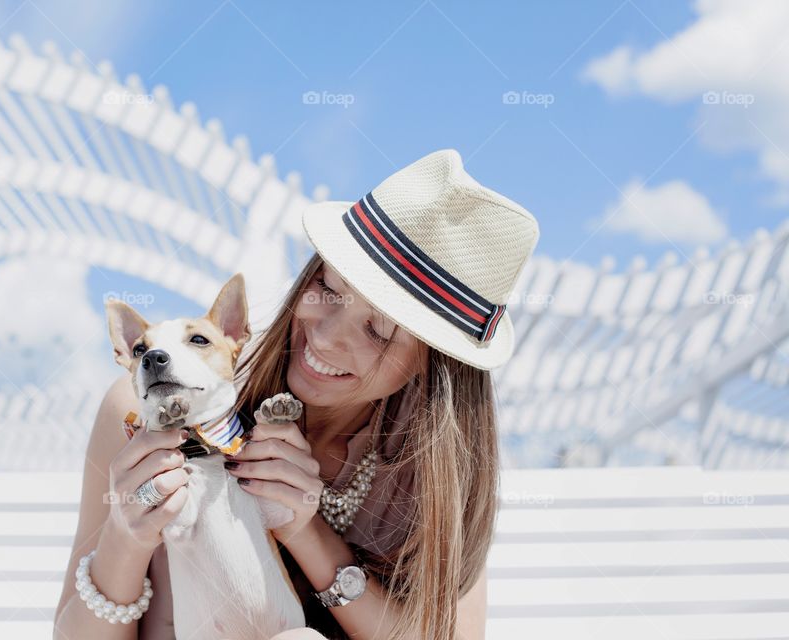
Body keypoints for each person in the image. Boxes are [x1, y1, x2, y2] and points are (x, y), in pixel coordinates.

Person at [53, 148, 540, 639]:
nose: (326, 338)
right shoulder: (146, 410)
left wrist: (306, 531)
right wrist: (125, 536)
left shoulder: (434, 473)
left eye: (379, 330)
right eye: (328, 288)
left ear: (437, 366)